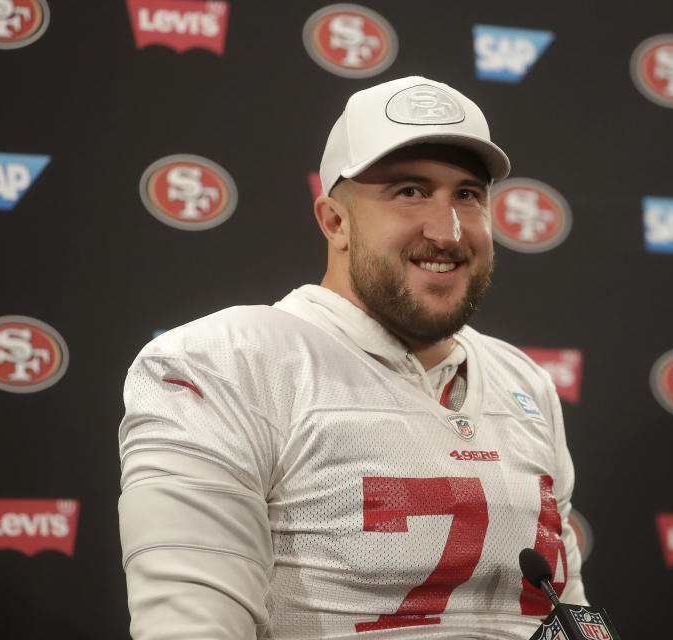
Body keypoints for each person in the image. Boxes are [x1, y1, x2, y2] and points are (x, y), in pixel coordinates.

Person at [118, 75, 587, 639]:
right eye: (409, 191)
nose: (448, 230)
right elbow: (189, 630)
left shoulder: (524, 380)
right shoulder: (223, 361)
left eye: (467, 194)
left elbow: (570, 616)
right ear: (335, 222)